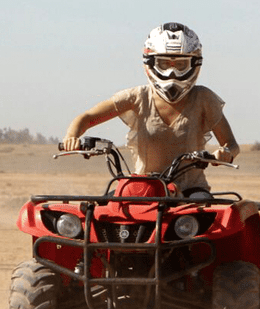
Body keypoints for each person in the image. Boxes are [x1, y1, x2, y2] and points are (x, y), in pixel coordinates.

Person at [62, 22, 240, 196]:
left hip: (190, 190)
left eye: (180, 65)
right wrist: (72, 137)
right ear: (151, 62)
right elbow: (88, 117)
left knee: (204, 214)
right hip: (144, 188)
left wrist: (225, 153)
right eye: (164, 64)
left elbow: (231, 145)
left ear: (194, 64)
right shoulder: (137, 97)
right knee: (106, 211)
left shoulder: (203, 98)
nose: (172, 73)